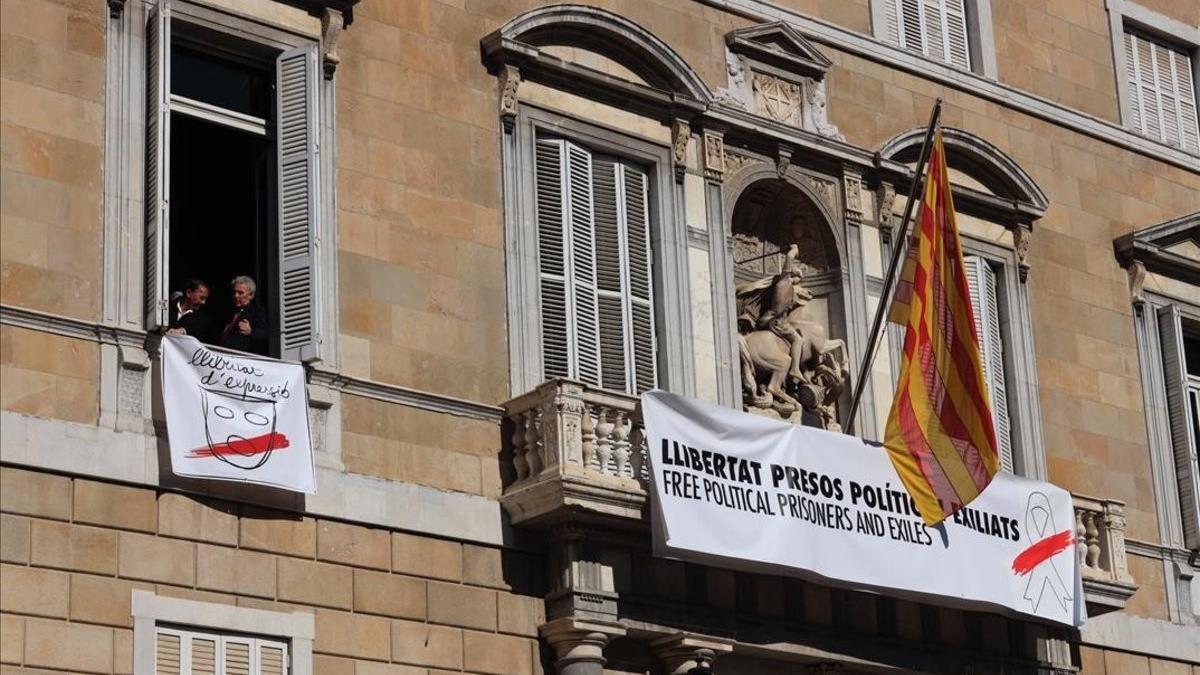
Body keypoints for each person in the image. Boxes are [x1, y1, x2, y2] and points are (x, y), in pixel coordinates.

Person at [735, 244, 813, 381]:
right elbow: (788, 259)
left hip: (771, 319)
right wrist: (794, 250)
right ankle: (795, 369)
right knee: (798, 339)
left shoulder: (787, 287)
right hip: (775, 321)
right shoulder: (784, 282)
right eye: (798, 278)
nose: (797, 282)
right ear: (792, 275)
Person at [218, 276, 270, 355]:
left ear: (251, 295)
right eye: (234, 292)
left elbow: (265, 334)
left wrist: (251, 331)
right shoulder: (227, 312)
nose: (236, 296)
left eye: (240, 293)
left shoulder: (256, 311)